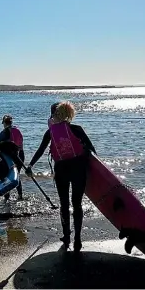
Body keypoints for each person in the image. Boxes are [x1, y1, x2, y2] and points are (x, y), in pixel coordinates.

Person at [25, 101, 96, 252]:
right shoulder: (76, 129)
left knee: (64, 204)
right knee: (77, 204)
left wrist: (30, 166)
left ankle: (66, 236)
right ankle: (77, 239)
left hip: (61, 170)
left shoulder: (50, 132)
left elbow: (40, 150)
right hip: (78, 169)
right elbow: (92, 149)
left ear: (54, 115)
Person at [0, 114, 25, 201]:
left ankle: (7, 197)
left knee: (7, 176)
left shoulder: (4, 133)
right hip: (20, 156)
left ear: (4, 123)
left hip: (10, 158)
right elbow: (20, 143)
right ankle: (20, 195)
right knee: (16, 175)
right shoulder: (17, 130)